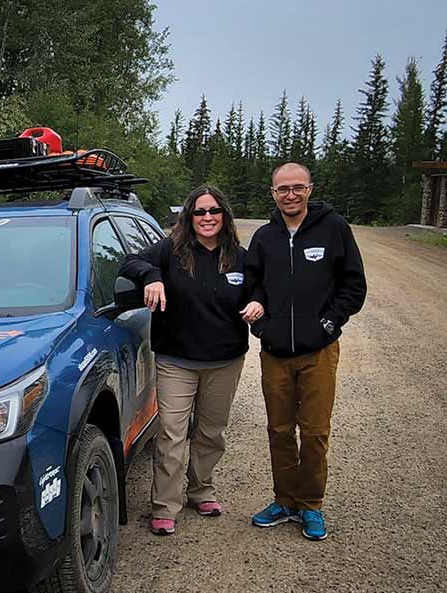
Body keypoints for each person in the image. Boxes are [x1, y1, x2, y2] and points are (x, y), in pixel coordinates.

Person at [242, 162, 366, 541]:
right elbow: (252, 285)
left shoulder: (334, 229)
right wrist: (260, 323)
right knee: (279, 430)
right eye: (283, 189)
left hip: (319, 352)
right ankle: (285, 501)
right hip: (275, 352)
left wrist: (328, 323)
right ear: (273, 194)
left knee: (314, 432)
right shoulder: (264, 238)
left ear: (310, 189)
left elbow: (354, 285)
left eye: (298, 187)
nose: (290, 195)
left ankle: (311, 505)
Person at [120, 186, 250, 535]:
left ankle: (201, 490)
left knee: (211, 433)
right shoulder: (170, 250)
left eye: (214, 211)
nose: (207, 218)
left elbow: (261, 293)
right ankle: (164, 506)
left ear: (224, 215)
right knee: (172, 435)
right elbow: (131, 261)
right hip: (176, 361)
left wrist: (260, 306)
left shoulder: (240, 256)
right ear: (189, 217)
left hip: (225, 361)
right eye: (199, 212)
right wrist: (152, 276)